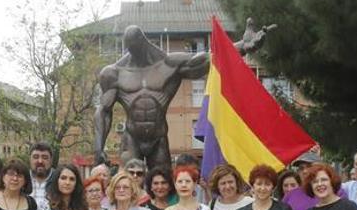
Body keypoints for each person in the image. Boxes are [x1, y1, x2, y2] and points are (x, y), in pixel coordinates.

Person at [94, 22, 271, 171]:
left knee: (163, 187)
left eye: (136, 48)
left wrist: (242, 47)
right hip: (131, 137)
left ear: (144, 42)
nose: (133, 52)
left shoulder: (169, 65)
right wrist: (98, 146)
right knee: (128, 183)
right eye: (130, 48)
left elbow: (207, 60)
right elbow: (103, 111)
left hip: (159, 137)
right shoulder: (113, 73)